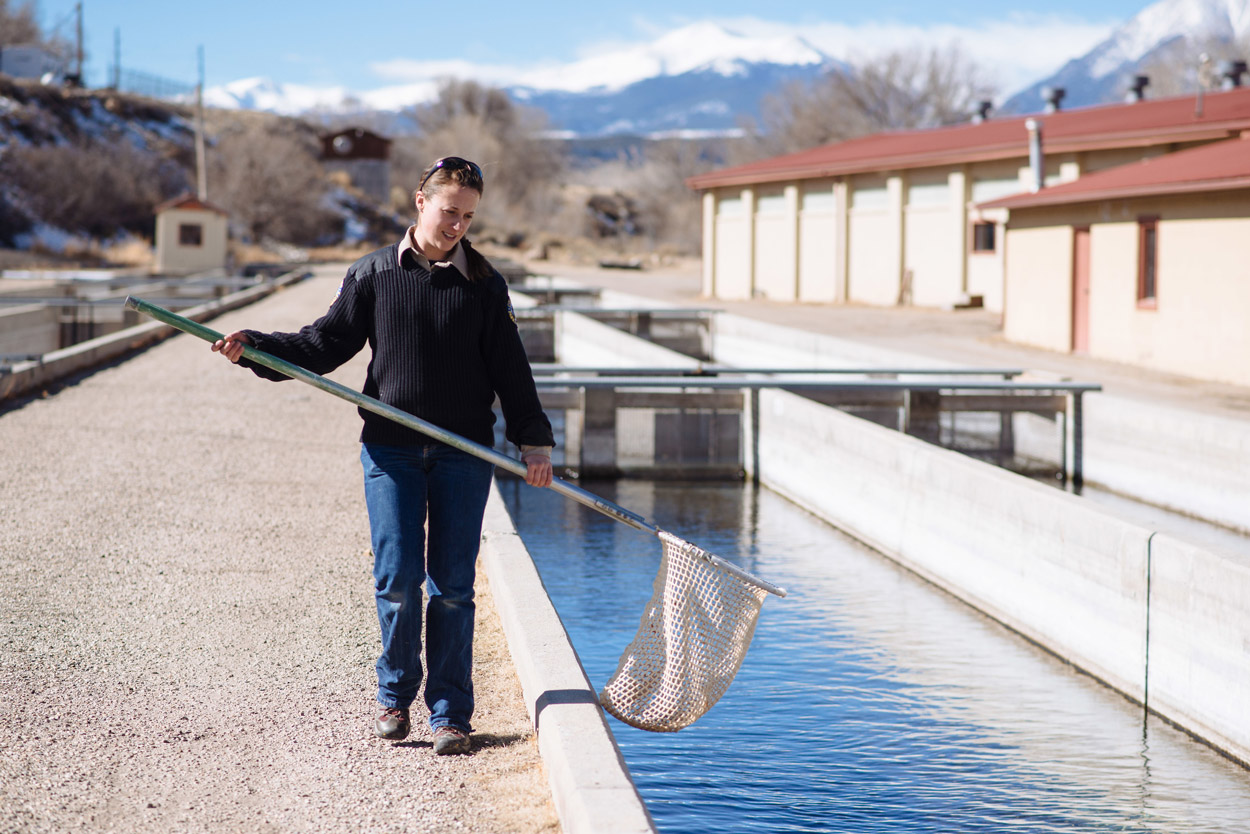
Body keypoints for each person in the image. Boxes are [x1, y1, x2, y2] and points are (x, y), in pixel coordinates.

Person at [211, 156, 554, 756]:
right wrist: (257, 348)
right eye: (450, 212)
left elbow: (511, 371)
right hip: (390, 452)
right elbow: (323, 344)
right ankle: (394, 698)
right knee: (397, 580)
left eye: (469, 217)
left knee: (451, 586)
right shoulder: (372, 274)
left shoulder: (485, 284)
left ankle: (449, 715)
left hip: (463, 453)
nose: (458, 226)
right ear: (421, 203)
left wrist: (534, 442)